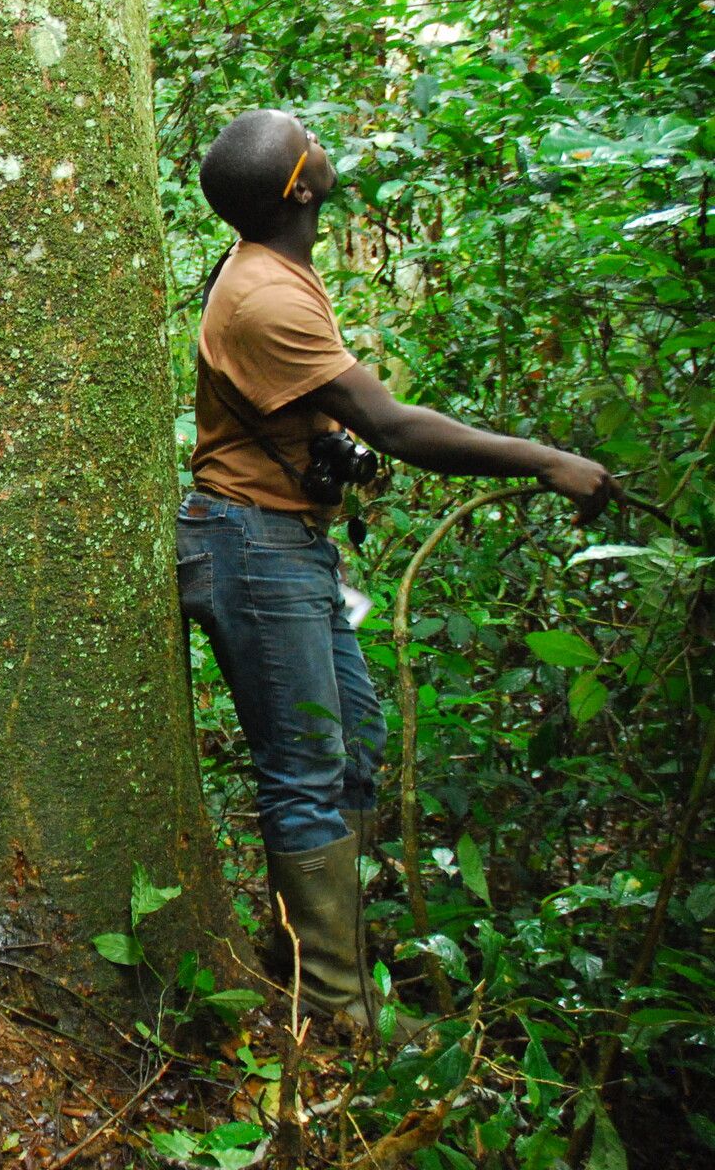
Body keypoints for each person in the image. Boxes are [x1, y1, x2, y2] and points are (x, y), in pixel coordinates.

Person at [179, 108, 618, 1032]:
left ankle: (301, 949)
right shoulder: (267, 295)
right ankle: (334, 1006)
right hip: (253, 546)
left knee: (356, 747)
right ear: (299, 186)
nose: (321, 142)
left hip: (287, 542)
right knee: (305, 768)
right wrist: (544, 459)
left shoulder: (276, 269)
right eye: (308, 138)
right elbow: (397, 427)